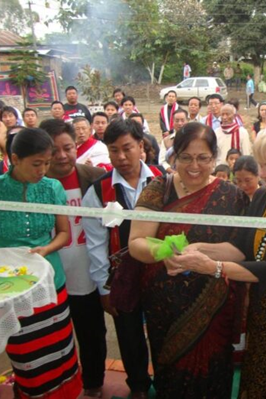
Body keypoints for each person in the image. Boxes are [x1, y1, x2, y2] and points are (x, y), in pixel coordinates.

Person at [167, 125, 266, 398]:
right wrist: (198, 249)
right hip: (264, 309)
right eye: (261, 165)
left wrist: (212, 268)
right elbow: (242, 248)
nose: (262, 174)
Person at [127, 122, 247, 397]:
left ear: (214, 158)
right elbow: (136, 243)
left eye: (203, 158)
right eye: (186, 157)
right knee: (171, 373)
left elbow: (242, 251)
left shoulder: (232, 196)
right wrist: (165, 252)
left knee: (213, 373)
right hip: (164, 307)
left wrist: (199, 250)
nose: (194, 165)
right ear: (174, 157)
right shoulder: (159, 189)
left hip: (214, 306)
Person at [0, 128, 83, 398]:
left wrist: (46, 249)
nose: (43, 170)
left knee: (60, 348)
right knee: (26, 354)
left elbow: (64, 234)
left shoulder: (52, 188)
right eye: (36, 164)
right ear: (15, 158)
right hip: (10, 288)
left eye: (47, 162)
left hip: (49, 283)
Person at [82, 119, 163, 399]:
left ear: (141, 146)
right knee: (129, 335)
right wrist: (104, 287)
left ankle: (166, 382)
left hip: (161, 272)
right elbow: (95, 244)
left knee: (163, 330)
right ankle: (138, 385)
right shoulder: (97, 191)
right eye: (113, 150)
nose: (121, 157)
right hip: (121, 277)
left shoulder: (163, 179)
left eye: (127, 148)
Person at [40, 119, 108, 398]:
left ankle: (93, 385)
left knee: (92, 334)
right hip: (49, 279)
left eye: (68, 148)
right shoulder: (35, 183)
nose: (62, 156)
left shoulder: (94, 177)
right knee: (51, 339)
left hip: (88, 276)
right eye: (54, 151)